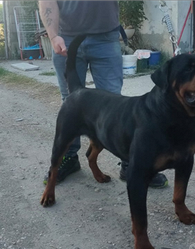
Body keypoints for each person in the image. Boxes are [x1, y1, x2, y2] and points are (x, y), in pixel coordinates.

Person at [39, 0, 168, 188]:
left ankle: (130, 162)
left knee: (116, 106)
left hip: (106, 37)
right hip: (64, 37)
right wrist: (52, 36)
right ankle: (69, 157)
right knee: (71, 104)